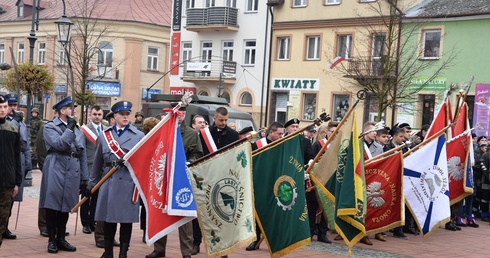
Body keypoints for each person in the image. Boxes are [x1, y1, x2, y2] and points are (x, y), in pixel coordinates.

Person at [88, 100, 144, 258]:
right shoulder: (105, 135)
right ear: (114, 116)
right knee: (109, 219)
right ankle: (108, 251)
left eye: (127, 114)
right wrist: (90, 185)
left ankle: (123, 253)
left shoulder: (139, 135)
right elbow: (97, 162)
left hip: (128, 181)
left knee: (126, 220)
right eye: (122, 114)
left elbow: (144, 161)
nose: (125, 117)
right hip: (109, 180)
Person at [146, 107, 203, 258]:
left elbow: (197, 154)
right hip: (163, 178)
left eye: (182, 113)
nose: (179, 115)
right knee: (160, 211)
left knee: (184, 214)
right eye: (176, 112)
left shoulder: (191, 134)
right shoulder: (161, 131)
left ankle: (186, 252)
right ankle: (159, 249)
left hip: (182, 180)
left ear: (184, 115)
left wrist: (188, 163)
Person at [39, 96, 88, 253]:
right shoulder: (50, 127)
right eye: (70, 108)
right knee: (53, 204)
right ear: (62, 111)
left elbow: (82, 153)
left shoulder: (78, 129)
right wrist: (69, 130)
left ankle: (61, 238)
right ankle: (52, 239)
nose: (73, 111)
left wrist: (85, 178)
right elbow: (60, 144)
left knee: (66, 205)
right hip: (56, 165)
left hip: (73, 167)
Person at [194, 106, 239, 257]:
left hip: (223, 177)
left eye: (226, 120)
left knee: (221, 213)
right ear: (214, 118)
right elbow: (199, 153)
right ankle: (196, 242)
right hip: (206, 176)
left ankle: (222, 247)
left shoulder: (233, 134)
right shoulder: (203, 134)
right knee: (201, 210)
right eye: (221, 120)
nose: (223, 122)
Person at [246, 122, 285, 251]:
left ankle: (274, 240)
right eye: (279, 133)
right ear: (271, 132)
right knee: (257, 211)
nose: (281, 136)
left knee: (275, 212)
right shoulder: (255, 145)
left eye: (282, 133)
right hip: (259, 183)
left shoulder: (283, 145)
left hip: (276, 183)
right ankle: (255, 239)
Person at [3, 94, 32, 241]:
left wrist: (27, 164)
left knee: (12, 198)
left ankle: (5, 225)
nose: (13, 108)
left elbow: (25, 145)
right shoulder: (7, 122)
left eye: (15, 106)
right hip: (6, 161)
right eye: (11, 105)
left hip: (17, 161)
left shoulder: (20, 122)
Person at [0, 95, 22, 248]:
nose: (3, 110)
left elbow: (16, 157)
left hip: (7, 182)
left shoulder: (13, 128)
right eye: (0, 107)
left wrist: (17, 182)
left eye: (5, 106)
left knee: (2, 222)